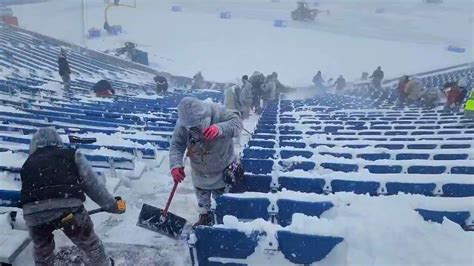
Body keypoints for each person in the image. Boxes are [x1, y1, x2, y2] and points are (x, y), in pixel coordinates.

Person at [21, 128, 126, 266]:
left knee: (42, 253)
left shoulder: (27, 163)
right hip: (69, 210)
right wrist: (113, 206)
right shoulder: (71, 155)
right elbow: (94, 187)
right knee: (91, 245)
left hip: (34, 215)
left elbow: (29, 195)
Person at [169, 97, 243, 227]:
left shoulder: (219, 112)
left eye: (197, 126)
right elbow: (177, 144)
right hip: (200, 168)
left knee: (223, 200)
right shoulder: (182, 124)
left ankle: (224, 219)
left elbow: (237, 124)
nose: (194, 131)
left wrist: (220, 128)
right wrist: (175, 165)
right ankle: (205, 216)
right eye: (191, 128)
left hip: (222, 165)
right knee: (202, 195)